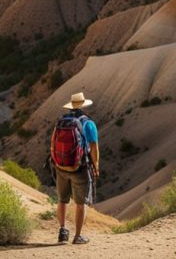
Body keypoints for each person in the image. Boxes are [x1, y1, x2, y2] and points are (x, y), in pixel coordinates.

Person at [51, 91, 99, 245]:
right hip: (80, 168)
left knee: (62, 200)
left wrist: (57, 163)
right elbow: (94, 147)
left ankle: (63, 231)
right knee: (80, 203)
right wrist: (96, 166)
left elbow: (52, 144)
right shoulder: (88, 123)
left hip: (61, 166)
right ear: (83, 106)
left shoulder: (61, 121)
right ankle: (77, 237)